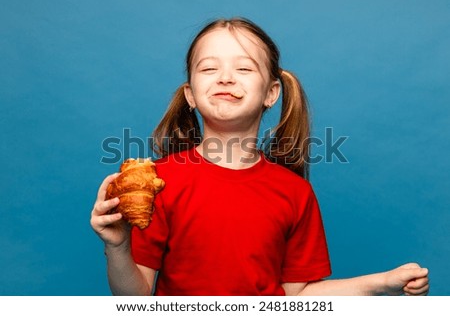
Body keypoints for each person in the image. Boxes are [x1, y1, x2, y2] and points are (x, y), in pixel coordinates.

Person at [91, 17, 429, 296]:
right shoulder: (160, 184)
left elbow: (296, 297)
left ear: (271, 93)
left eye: (244, 69)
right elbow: (134, 301)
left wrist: (382, 283)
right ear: (190, 95)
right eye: (209, 69)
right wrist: (119, 247)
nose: (225, 77)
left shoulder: (294, 193)